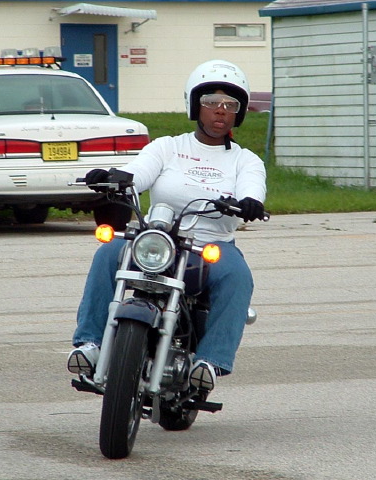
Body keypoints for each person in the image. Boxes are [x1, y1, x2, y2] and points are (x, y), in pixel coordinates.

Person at [67, 59, 266, 393]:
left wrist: (250, 202)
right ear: (195, 105)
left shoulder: (245, 160)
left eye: (230, 104)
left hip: (210, 246)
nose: (220, 110)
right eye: (211, 102)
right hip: (158, 239)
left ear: (239, 112)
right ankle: (91, 344)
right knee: (108, 252)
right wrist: (115, 177)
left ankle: (210, 361)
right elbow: (139, 170)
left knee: (237, 276)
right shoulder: (168, 147)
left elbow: (252, 186)